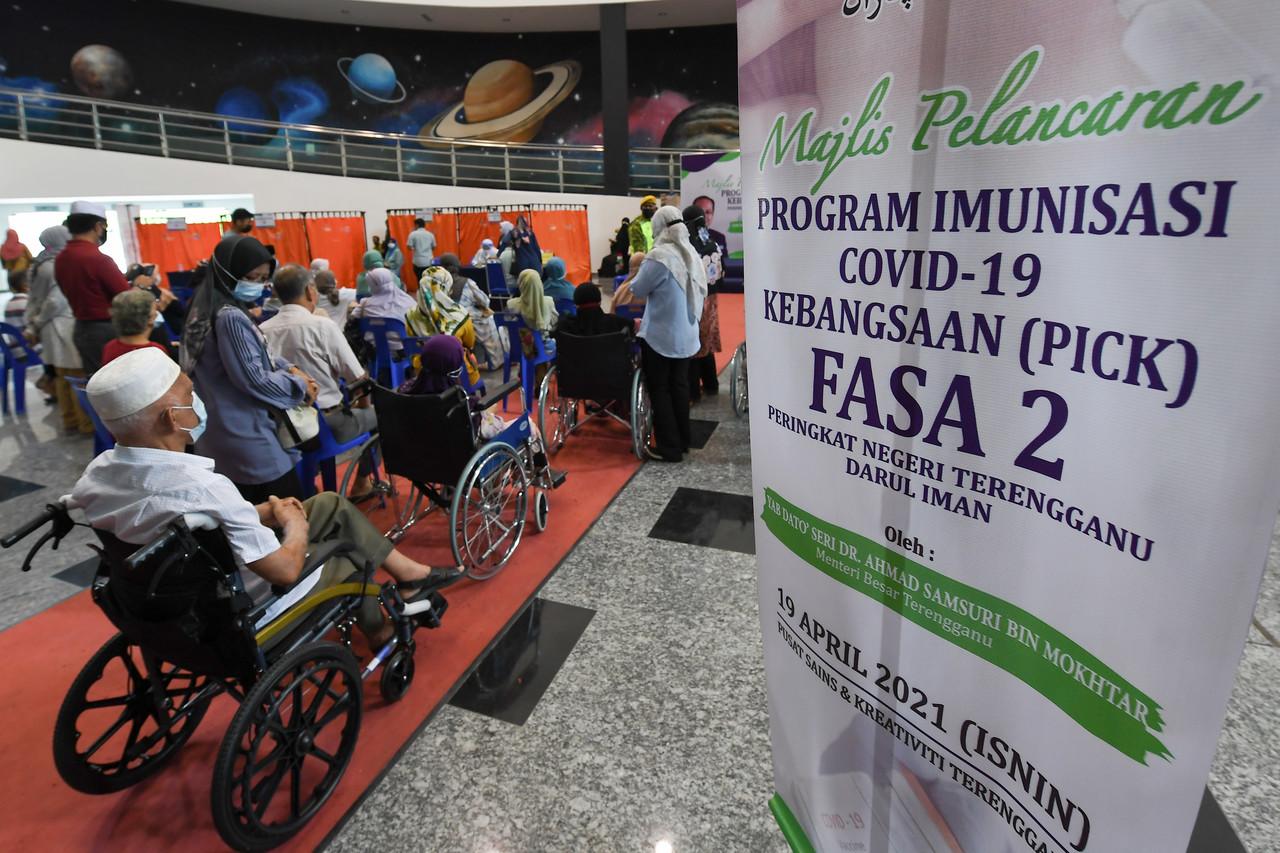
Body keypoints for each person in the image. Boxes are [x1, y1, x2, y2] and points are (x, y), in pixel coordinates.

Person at [69, 348, 457, 647]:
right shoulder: (202, 486)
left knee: (330, 504)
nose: (199, 400)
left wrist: (259, 512)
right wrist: (293, 524)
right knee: (348, 556)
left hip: (169, 592)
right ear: (172, 418)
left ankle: (411, 574)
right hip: (242, 600)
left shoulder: (97, 476)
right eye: (190, 394)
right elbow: (284, 571)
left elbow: (185, 520)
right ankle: (382, 632)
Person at [181, 235, 318, 503]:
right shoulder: (230, 316)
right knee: (285, 516)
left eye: (262, 278)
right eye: (251, 277)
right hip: (246, 435)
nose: (257, 286)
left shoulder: (203, 306)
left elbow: (254, 355)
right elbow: (255, 380)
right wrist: (299, 385)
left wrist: (288, 367)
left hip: (215, 430)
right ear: (227, 272)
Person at [262, 265, 379, 498]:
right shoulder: (322, 326)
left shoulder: (262, 330)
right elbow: (358, 377)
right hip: (326, 423)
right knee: (382, 417)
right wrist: (363, 408)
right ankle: (362, 483)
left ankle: (308, 481)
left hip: (283, 427)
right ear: (309, 291)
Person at [627, 206, 706, 462]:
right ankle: (682, 441)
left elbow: (638, 289)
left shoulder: (659, 257)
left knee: (660, 390)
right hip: (687, 333)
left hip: (661, 336)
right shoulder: (691, 253)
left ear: (660, 227)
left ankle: (669, 447)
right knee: (680, 387)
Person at [56, 201, 139, 374]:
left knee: (95, 383)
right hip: (106, 331)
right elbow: (126, 297)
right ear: (98, 226)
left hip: (81, 328)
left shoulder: (61, 258)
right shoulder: (98, 259)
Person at [25, 225, 93, 434]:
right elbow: (56, 301)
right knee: (76, 375)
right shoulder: (55, 265)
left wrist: (34, 324)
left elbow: (35, 300)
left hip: (49, 328)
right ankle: (85, 424)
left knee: (62, 376)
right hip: (62, 326)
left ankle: (69, 419)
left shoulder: (40, 263)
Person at [406, 266, 481, 386]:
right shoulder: (459, 314)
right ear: (444, 288)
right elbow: (469, 343)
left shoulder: (410, 315)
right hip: (458, 376)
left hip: (423, 376)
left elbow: (412, 344)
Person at [683, 204, 723, 402]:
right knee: (706, 343)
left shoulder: (689, 246)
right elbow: (721, 274)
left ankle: (693, 392)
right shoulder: (712, 242)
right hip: (713, 298)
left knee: (694, 344)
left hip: (695, 298)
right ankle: (711, 385)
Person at [439, 253, 505, 371]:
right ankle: (497, 361)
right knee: (492, 322)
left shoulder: (437, 285)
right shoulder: (467, 283)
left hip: (447, 324)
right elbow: (485, 301)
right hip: (469, 322)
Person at [352, 266, 417, 355]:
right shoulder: (408, 302)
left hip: (374, 352)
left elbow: (353, 318)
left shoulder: (364, 304)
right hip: (403, 351)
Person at [103, 289, 169, 365]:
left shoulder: (110, 348)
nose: (157, 314)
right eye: (155, 310)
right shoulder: (156, 351)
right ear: (150, 318)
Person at [555, 283, 633, 338]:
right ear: (600, 302)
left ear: (576, 304)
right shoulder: (617, 322)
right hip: (609, 361)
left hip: (575, 361)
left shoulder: (564, 326)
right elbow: (636, 327)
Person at [692, 195, 730, 259]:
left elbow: (725, 264)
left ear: (712, 215)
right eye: (700, 211)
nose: (703, 215)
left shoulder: (720, 238)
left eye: (708, 212)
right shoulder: (683, 237)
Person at [407, 218, 437, 282]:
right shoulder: (430, 234)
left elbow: (409, 247)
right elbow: (434, 247)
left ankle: (421, 291)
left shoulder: (413, 234)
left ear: (417, 225)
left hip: (418, 261)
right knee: (428, 280)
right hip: (428, 261)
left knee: (419, 279)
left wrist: (415, 248)